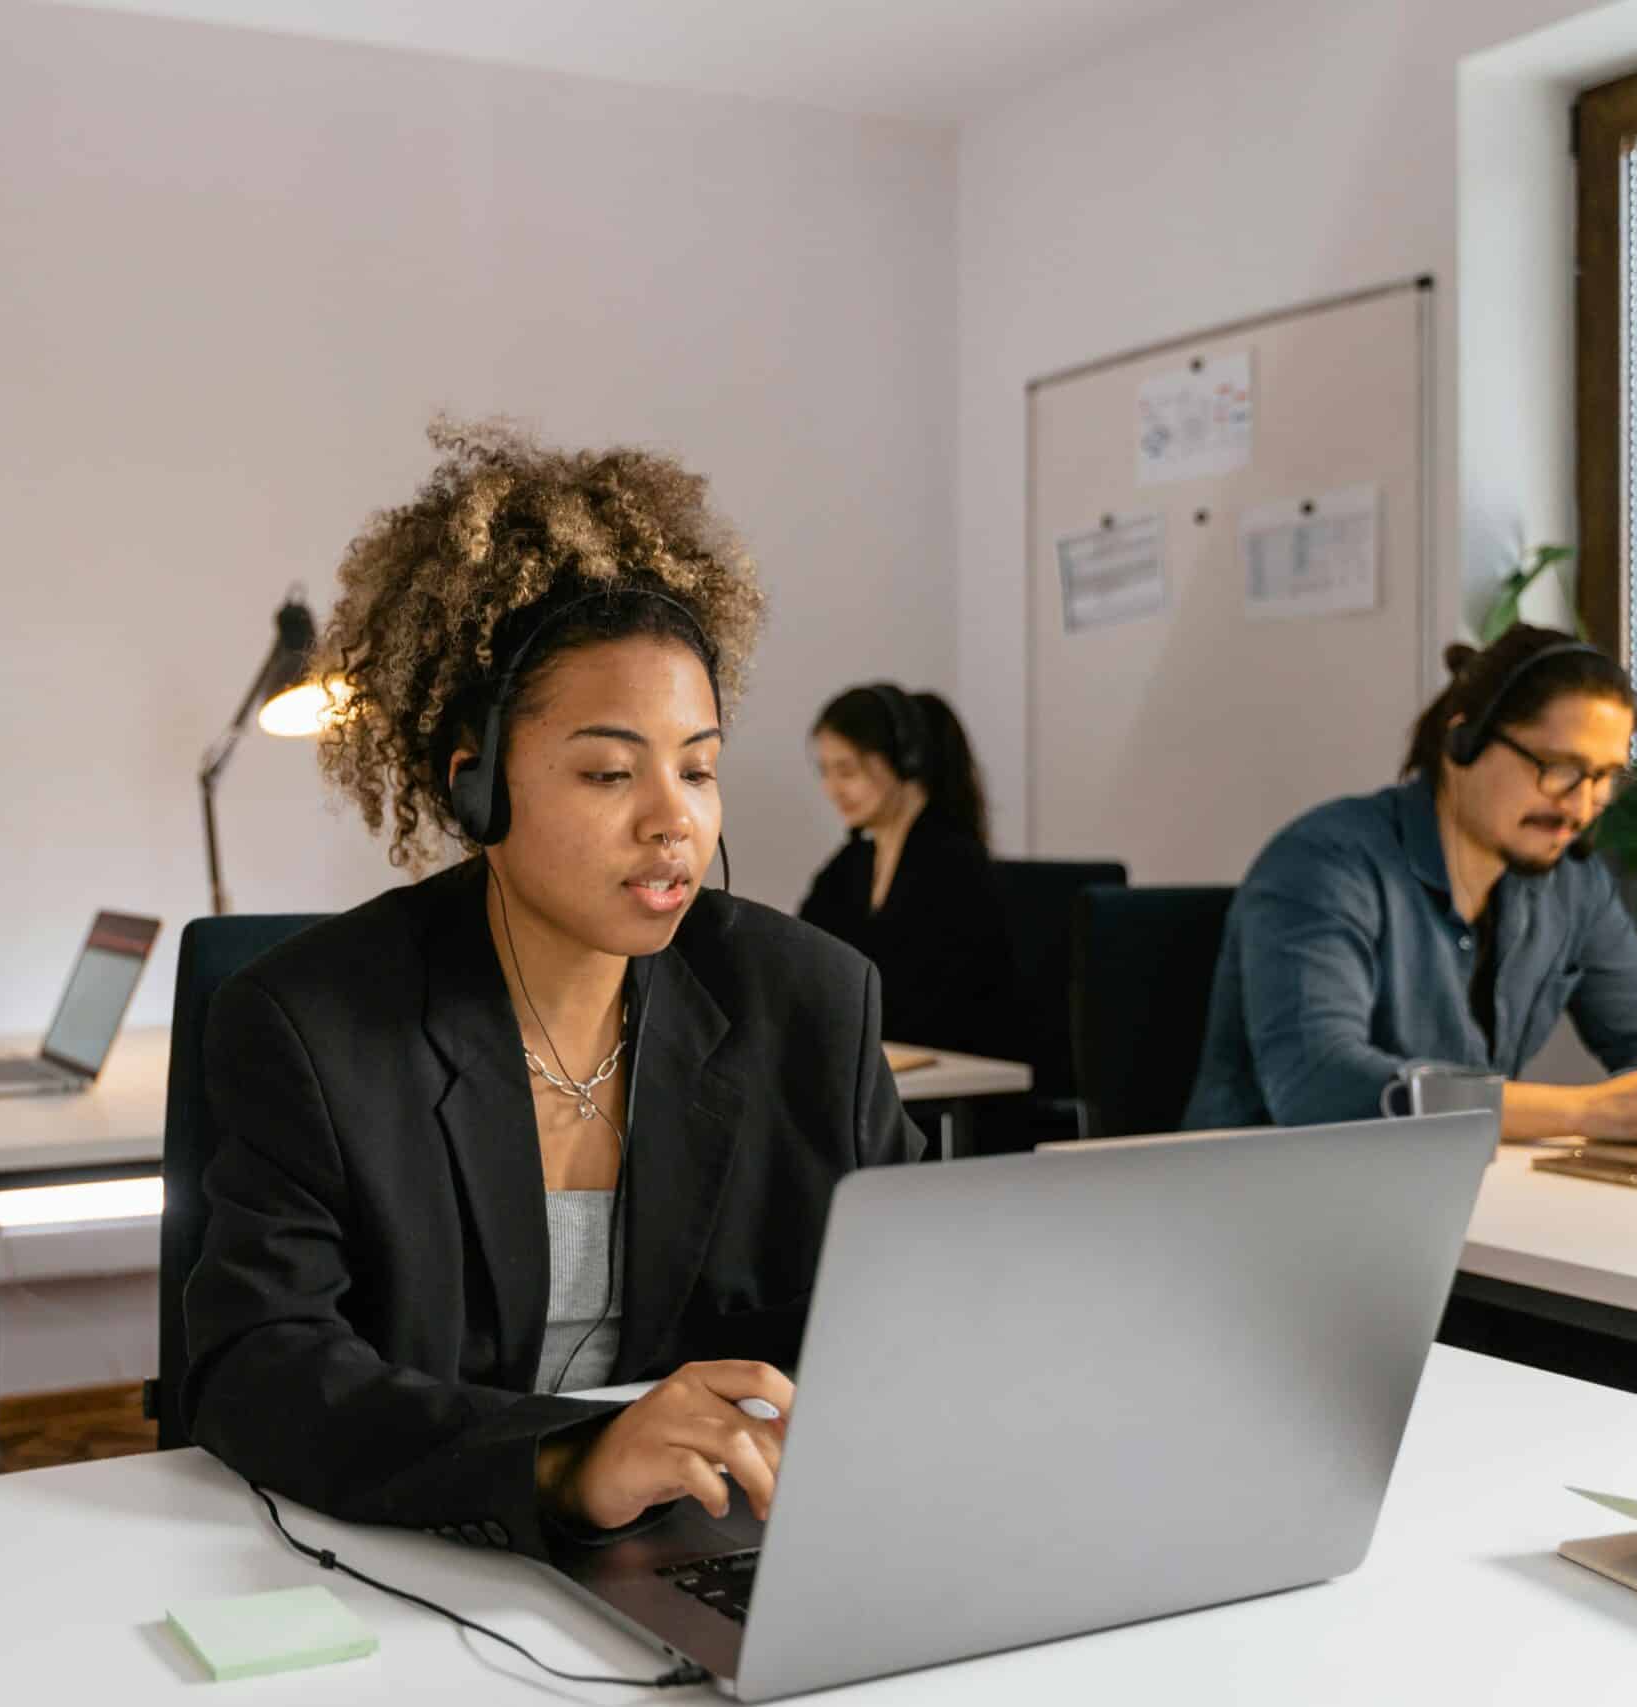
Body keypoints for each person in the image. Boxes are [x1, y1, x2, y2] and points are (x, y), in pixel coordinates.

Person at [182, 421, 922, 1559]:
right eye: (609, 772)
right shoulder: (314, 1026)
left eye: (699, 767)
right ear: (476, 789)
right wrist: (570, 1462)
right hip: (419, 1553)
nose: (673, 818)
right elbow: (258, 1365)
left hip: (727, 1547)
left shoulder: (812, 1003)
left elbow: (921, 1313)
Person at [1186, 624, 1637, 1136]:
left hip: (1452, 1191)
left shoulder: (1572, 883)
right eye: (1558, 767)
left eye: (1604, 777)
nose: (1580, 806)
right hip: (1265, 1196)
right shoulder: (1325, 863)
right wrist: (1586, 1111)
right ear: (1462, 740)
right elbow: (1319, 1084)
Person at [798, 685, 1018, 1061]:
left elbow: (944, 1005)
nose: (832, 789)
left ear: (904, 761)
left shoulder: (954, 864)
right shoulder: (853, 862)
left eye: (847, 771)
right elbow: (801, 957)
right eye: (825, 772)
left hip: (952, 1077)